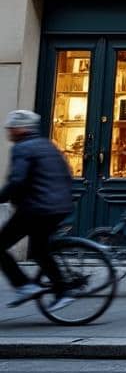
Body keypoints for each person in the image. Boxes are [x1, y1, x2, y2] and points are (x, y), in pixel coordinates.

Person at [0, 110, 74, 312]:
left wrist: (3, 197)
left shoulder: (22, 148)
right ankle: (62, 289)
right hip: (60, 206)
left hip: (37, 207)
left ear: (21, 128)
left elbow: (17, 181)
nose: (8, 131)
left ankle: (25, 286)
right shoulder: (49, 145)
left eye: (11, 127)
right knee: (39, 250)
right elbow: (68, 174)